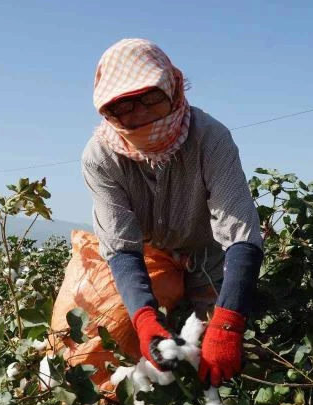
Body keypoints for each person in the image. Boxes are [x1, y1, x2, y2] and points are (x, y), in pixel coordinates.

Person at [81, 38, 263, 386]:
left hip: (205, 251)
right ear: (106, 110)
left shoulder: (211, 138)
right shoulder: (100, 156)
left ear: (171, 88)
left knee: (218, 358)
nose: (138, 114)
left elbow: (241, 235)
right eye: (122, 105)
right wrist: (144, 317)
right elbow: (121, 247)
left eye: (148, 97)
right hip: (145, 254)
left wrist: (227, 324)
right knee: (115, 334)